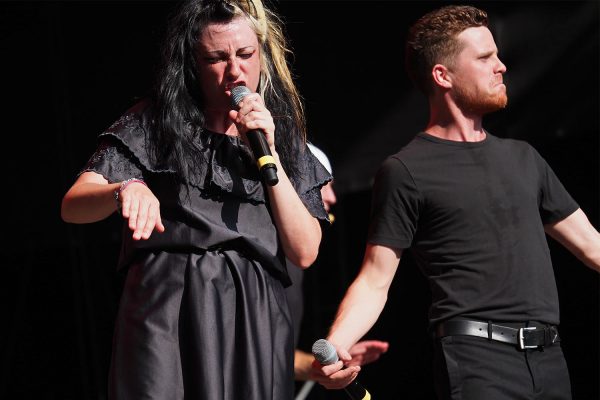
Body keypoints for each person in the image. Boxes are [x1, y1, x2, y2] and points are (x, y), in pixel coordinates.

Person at [311, 5, 600, 400]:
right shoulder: (406, 170)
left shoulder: (524, 158)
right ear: (443, 75)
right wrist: (334, 346)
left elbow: (591, 245)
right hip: (478, 363)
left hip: (550, 360)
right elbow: (375, 280)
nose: (500, 66)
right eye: (484, 58)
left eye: (497, 55)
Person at [60, 0, 331, 399]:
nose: (235, 72)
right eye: (216, 59)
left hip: (254, 313)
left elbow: (305, 251)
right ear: (192, 65)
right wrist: (123, 189)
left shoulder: (280, 134)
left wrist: (270, 154)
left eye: (245, 55)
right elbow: (73, 205)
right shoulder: (155, 123)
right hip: (172, 307)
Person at [286, 143, 389, 386]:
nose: (332, 197)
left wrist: (322, 365)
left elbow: (271, 354)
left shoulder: (291, 265)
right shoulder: (253, 258)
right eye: (323, 183)